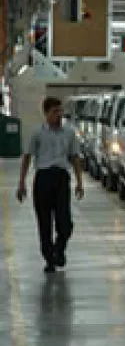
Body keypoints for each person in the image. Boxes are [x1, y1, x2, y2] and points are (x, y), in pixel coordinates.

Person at [16, 97, 84, 273]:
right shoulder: (37, 133)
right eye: (55, 112)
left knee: (65, 222)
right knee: (44, 222)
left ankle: (59, 249)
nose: (59, 115)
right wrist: (21, 182)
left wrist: (79, 182)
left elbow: (75, 157)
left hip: (61, 178)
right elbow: (27, 157)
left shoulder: (69, 133)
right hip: (43, 178)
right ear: (46, 113)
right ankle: (49, 258)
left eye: (60, 111)